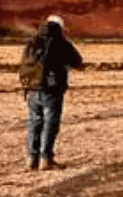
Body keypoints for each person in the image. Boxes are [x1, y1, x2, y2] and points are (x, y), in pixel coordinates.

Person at [24, 14, 84, 171]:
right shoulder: (61, 43)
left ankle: (32, 159)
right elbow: (78, 61)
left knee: (35, 122)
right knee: (50, 123)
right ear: (60, 27)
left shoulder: (33, 41)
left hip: (32, 88)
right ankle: (46, 159)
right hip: (52, 90)